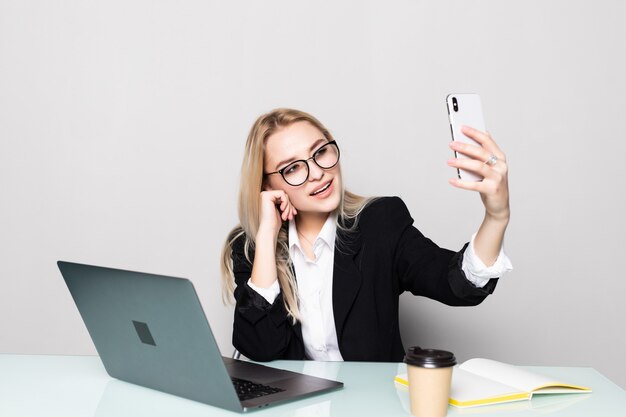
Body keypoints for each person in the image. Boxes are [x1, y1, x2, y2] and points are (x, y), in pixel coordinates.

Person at [221, 108, 512, 362]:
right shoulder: (251, 247)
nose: (317, 173)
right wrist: (268, 233)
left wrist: (496, 217)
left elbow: (455, 283)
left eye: (321, 151)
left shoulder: (380, 222)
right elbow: (261, 348)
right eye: (293, 168)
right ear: (267, 185)